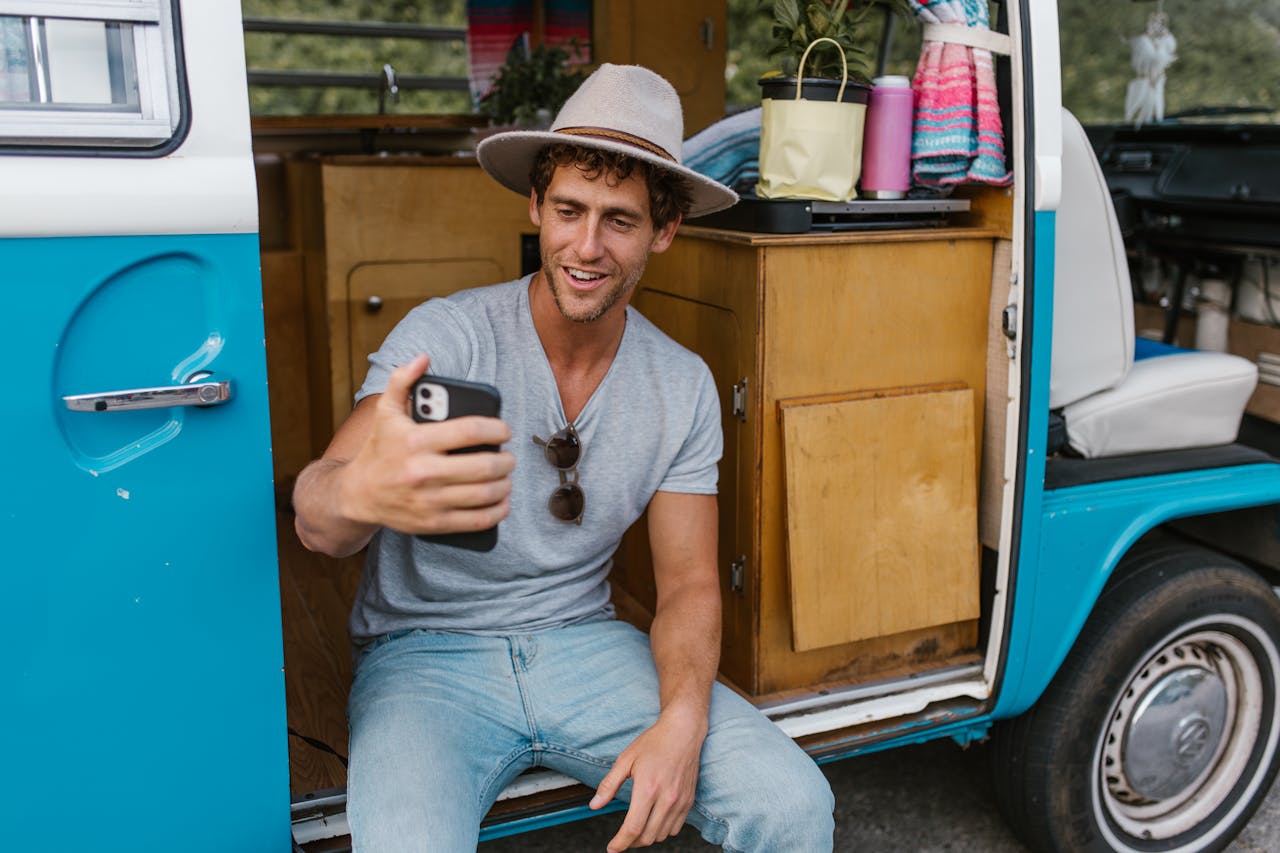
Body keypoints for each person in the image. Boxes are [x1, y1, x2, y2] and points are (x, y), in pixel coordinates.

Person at [292, 63, 835, 852]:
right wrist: (358, 495)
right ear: (536, 207)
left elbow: (687, 584)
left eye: (619, 220)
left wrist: (683, 721)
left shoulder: (680, 383)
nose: (587, 246)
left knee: (792, 806)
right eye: (569, 210)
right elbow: (319, 521)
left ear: (665, 229)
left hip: (586, 641)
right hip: (425, 657)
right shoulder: (447, 337)